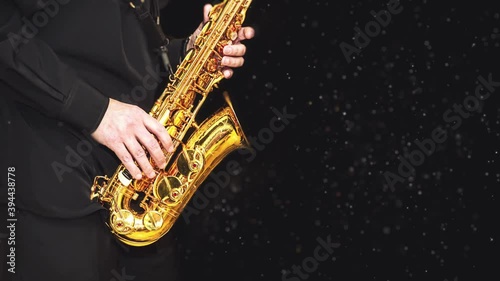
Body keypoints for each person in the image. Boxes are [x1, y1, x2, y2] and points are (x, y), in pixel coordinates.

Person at [0, 0, 255, 280]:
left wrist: (191, 52)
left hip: (136, 190)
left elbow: (110, 48)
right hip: (47, 176)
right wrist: (97, 112)